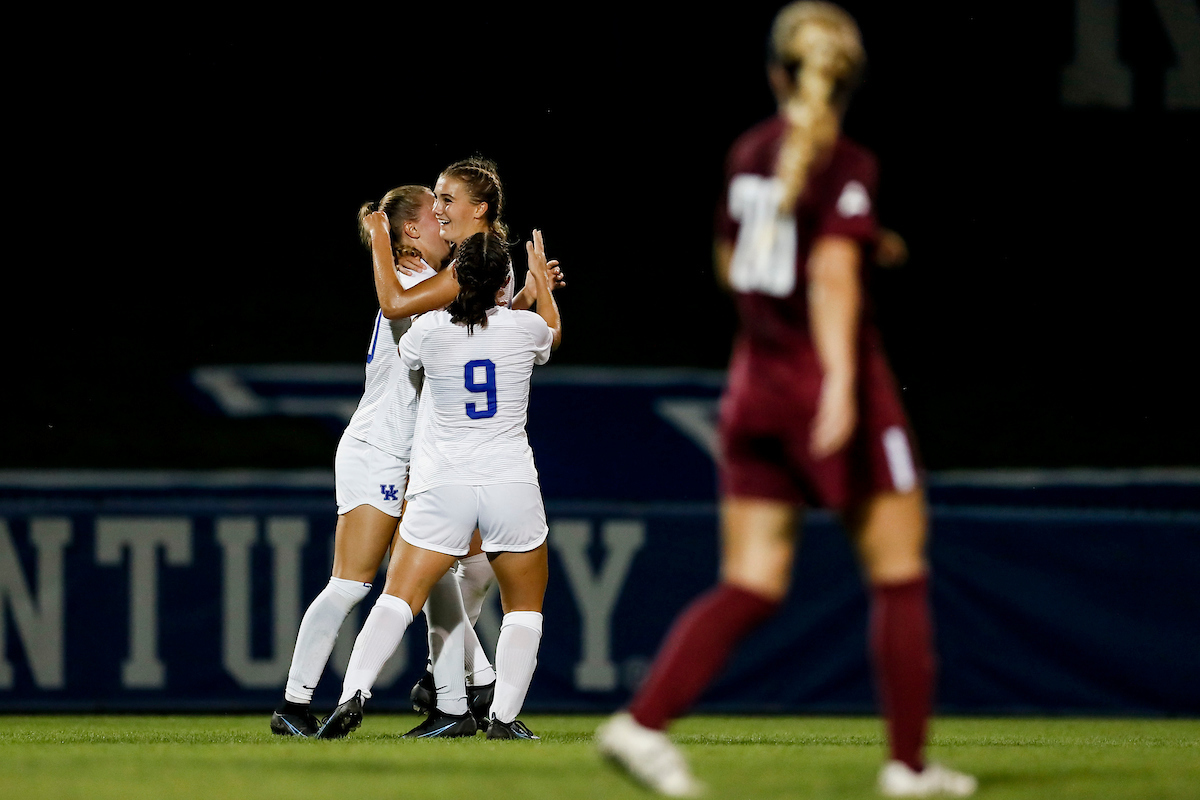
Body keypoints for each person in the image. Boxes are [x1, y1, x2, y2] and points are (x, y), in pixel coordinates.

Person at [596, 3, 976, 798]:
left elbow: (739, 262)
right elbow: (831, 278)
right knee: (900, 572)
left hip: (754, 384)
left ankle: (643, 723)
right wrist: (839, 380)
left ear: (776, 72)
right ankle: (908, 769)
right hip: (831, 388)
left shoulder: (747, 153)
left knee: (752, 581)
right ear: (851, 81)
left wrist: (864, 244)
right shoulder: (846, 163)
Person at [316, 229, 562, 741]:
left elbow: (410, 353)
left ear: (456, 280)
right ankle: (503, 719)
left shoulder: (429, 333)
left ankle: (352, 694)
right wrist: (541, 284)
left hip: (441, 484)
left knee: (397, 598)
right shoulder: (524, 330)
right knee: (524, 610)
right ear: (502, 288)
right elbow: (551, 333)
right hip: (509, 484)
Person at [269, 185, 461, 737]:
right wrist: (376, 237)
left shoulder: (424, 282)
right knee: (351, 584)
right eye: (434, 211)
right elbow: (399, 302)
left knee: (436, 579)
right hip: (379, 451)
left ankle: (452, 709)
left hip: (410, 456)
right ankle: (294, 701)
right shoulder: (405, 281)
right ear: (408, 232)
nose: (443, 218)